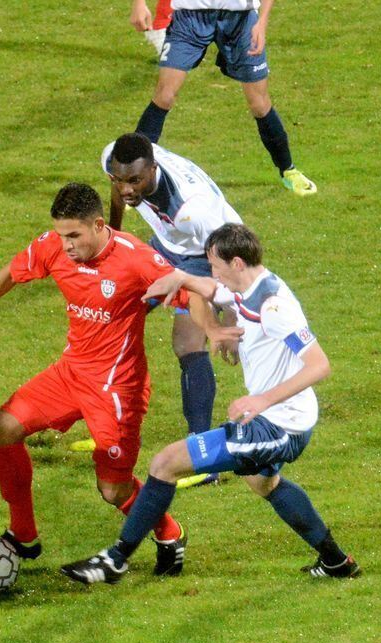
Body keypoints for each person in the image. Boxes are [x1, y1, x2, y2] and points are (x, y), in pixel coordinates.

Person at [60, 223, 360, 585]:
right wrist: (180, 278)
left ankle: (114, 561)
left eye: (216, 266)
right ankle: (336, 562)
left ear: (236, 263)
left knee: (164, 463)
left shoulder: (274, 307)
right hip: (281, 419)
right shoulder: (249, 284)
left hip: (279, 425)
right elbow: (213, 290)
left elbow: (319, 365)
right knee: (262, 483)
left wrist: (261, 399)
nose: (212, 273)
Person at [0, 183, 188, 576]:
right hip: (71, 373)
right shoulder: (54, 246)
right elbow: (10, 273)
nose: (65, 245)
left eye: (74, 235)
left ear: (98, 225)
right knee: (2, 429)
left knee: (112, 490)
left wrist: (219, 330)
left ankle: (170, 532)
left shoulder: (136, 259)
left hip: (117, 389)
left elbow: (191, 292)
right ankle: (23, 535)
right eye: (61, 234)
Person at [102, 132, 240, 484]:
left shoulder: (192, 209)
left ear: (153, 169)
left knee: (187, 343)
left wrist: (230, 314)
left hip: (205, 254)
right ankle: (111, 429)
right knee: (110, 319)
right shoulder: (115, 160)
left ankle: (202, 458)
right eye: (119, 180)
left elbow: (231, 253)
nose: (126, 189)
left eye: (134, 181)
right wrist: (113, 242)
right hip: (165, 247)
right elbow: (118, 192)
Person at [130, 0, 317, 196]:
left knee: (259, 104)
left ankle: (288, 170)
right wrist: (139, 4)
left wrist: (262, 22)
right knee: (164, 96)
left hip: (241, 21)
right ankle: (132, 178)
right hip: (189, 18)